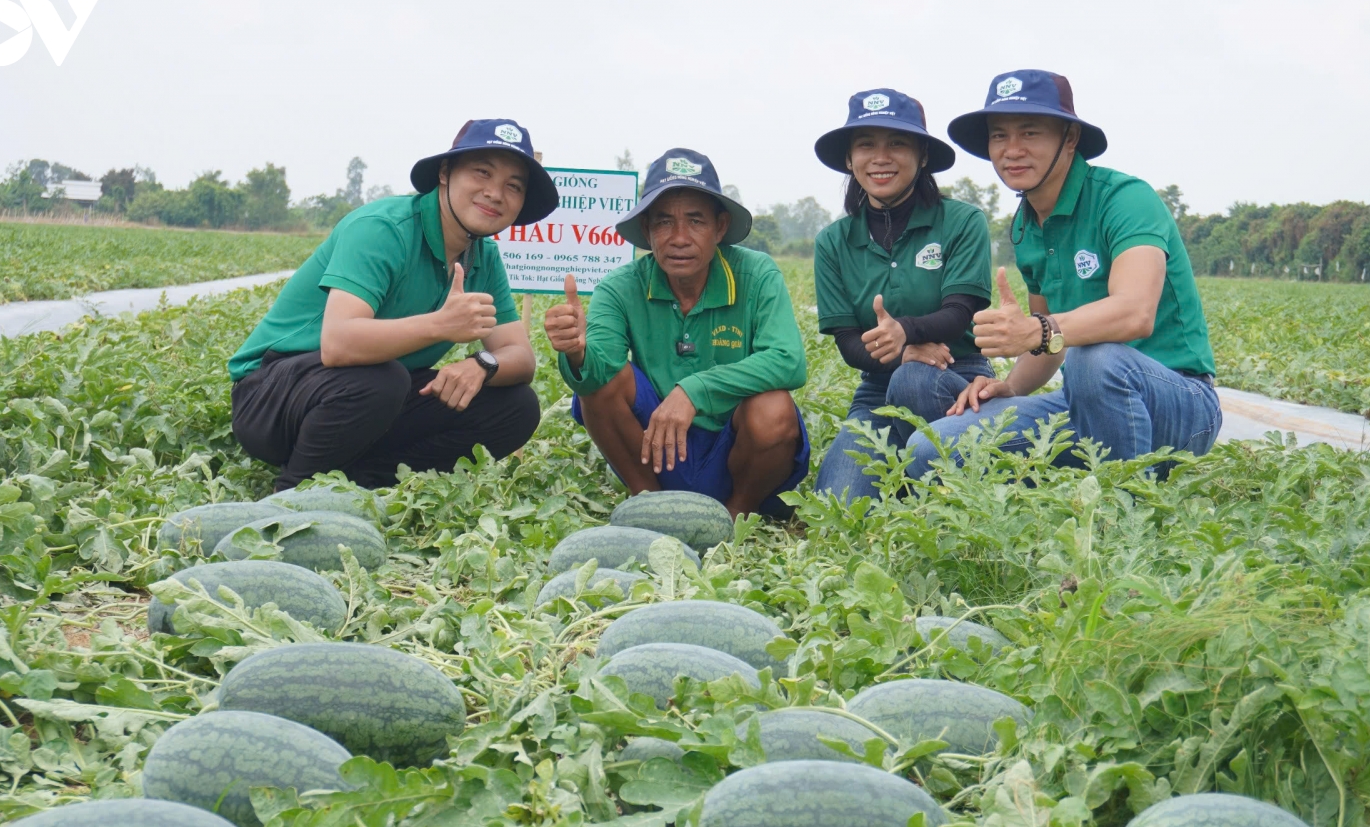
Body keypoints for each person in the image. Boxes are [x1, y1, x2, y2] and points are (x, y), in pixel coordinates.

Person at [900, 70, 1219, 478]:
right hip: (1084, 401)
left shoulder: (1125, 199)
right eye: (999, 136)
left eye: (1030, 133)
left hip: (1181, 402)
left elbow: (1135, 312)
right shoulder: (1026, 224)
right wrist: (1012, 386)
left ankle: (1121, 509)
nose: (1012, 150)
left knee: (1093, 358)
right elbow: (1050, 345)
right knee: (929, 449)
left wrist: (1038, 330)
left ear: (1069, 138)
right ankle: (1081, 483)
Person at [227, 119, 556, 492]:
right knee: (383, 379)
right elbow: (338, 344)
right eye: (483, 173)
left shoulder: (484, 256)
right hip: (269, 394)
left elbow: (521, 358)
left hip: (369, 397)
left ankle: (367, 481)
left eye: (513, 186)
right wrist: (440, 325)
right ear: (445, 173)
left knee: (516, 406)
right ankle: (294, 492)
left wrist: (481, 363)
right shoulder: (383, 229)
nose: (495, 193)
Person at [543, 148, 809, 518]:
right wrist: (575, 352)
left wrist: (694, 391)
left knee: (773, 409)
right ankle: (650, 502)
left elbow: (788, 360)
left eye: (696, 221)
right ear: (647, 230)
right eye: (664, 222)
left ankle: (737, 512)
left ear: (719, 227)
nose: (679, 238)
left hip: (735, 449)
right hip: (655, 447)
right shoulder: (620, 287)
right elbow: (598, 371)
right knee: (600, 385)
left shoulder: (756, 274)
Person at [809, 89, 995, 502]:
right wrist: (899, 353)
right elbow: (847, 342)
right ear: (849, 158)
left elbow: (960, 312)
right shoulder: (833, 242)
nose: (880, 157)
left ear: (922, 155)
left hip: (959, 375)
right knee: (836, 505)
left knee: (913, 381)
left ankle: (948, 487)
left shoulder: (962, 222)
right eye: (866, 145)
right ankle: (912, 480)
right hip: (877, 387)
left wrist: (904, 332)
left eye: (897, 143)